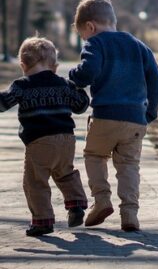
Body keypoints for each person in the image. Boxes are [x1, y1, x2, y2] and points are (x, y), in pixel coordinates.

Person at [69, 0, 158, 231]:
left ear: (90, 26)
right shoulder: (138, 45)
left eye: (83, 35)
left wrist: (73, 76)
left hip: (105, 115)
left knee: (95, 155)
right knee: (129, 165)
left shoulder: (95, 43)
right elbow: (155, 77)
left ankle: (101, 200)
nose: (84, 39)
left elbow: (87, 72)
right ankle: (130, 214)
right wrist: (150, 111)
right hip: (135, 119)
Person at [0, 37, 89, 236]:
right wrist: (78, 88)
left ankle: (42, 221)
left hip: (39, 142)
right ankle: (76, 204)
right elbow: (81, 106)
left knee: (35, 181)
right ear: (55, 67)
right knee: (65, 172)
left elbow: (3, 104)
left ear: (23, 65)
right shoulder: (64, 84)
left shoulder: (21, 86)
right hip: (66, 140)